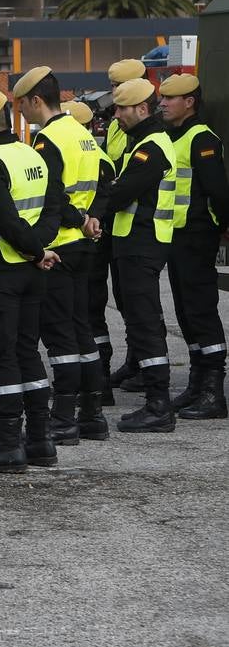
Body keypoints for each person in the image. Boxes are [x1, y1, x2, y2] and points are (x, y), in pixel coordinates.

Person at [0, 88, 64, 473]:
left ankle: (9, 445)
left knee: (0, 356)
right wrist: (41, 249)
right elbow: (53, 208)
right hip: (33, 272)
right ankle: (40, 440)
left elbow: (4, 220)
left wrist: (35, 251)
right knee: (27, 352)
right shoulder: (31, 154)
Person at [14, 68, 111, 444]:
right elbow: (106, 180)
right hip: (86, 245)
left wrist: (80, 219)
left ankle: (64, 419)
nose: (21, 111)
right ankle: (92, 415)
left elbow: (52, 198)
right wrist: (95, 218)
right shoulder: (83, 134)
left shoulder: (48, 141)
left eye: (22, 103)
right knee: (81, 327)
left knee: (59, 334)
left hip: (60, 246)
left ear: (36, 101)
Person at [105, 77, 177, 433]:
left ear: (143, 109)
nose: (116, 115)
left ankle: (158, 405)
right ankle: (155, 401)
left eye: (122, 108)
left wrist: (108, 193)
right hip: (135, 244)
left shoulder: (152, 147)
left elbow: (120, 194)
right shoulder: (144, 143)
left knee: (146, 323)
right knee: (140, 321)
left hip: (142, 245)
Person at [159, 74, 229, 419]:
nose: (163, 103)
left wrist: (220, 227)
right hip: (177, 236)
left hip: (197, 236)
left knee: (201, 310)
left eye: (170, 98)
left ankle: (214, 391)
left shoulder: (202, 139)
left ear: (190, 102)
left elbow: (218, 190)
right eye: (162, 98)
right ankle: (198, 382)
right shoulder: (173, 137)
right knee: (186, 312)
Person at [68, 99, 122, 406]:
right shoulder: (96, 156)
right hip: (86, 243)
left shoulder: (98, 160)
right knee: (86, 313)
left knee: (89, 313)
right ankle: (93, 381)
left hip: (90, 245)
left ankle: (98, 381)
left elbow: (100, 203)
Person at [102, 59, 145, 393]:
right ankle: (135, 358)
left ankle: (144, 362)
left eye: (118, 86)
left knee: (139, 299)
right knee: (123, 294)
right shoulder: (118, 123)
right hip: (117, 221)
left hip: (138, 223)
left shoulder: (143, 127)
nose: (113, 92)